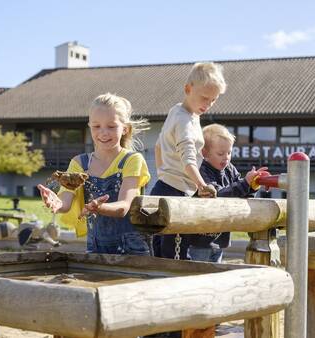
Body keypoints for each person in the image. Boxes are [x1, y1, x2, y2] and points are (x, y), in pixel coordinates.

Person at [38, 93, 151, 255]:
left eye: (111, 126)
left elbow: (124, 206)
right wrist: (56, 203)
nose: (103, 133)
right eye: (96, 126)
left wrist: (99, 207)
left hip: (132, 248)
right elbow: (65, 202)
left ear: (125, 129)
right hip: (95, 246)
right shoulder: (79, 164)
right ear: (89, 126)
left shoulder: (131, 160)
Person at [151, 62, 226, 260]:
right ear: (188, 89)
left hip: (167, 186)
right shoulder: (184, 119)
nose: (208, 104)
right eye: (204, 98)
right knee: (175, 253)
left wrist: (162, 174)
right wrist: (202, 185)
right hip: (174, 191)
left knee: (162, 250)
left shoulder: (183, 113)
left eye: (213, 100)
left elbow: (159, 146)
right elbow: (188, 159)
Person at [187, 123, 268, 263]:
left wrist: (253, 185)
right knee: (198, 274)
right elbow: (218, 195)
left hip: (220, 238)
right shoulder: (202, 171)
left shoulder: (230, 169)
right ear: (204, 153)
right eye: (220, 153)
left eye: (229, 153)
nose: (226, 157)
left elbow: (241, 194)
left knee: (215, 277)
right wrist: (245, 183)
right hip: (199, 240)